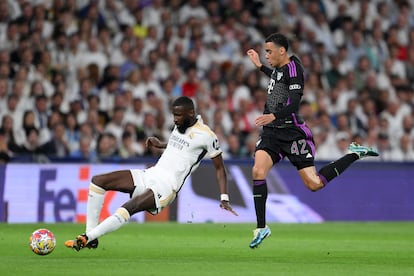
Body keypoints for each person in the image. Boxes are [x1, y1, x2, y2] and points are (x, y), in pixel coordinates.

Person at [246, 33, 379, 249]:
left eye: (269, 51)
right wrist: (260, 67)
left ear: (282, 51)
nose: (266, 55)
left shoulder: (294, 69)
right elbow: (278, 81)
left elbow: (295, 102)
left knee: (314, 184)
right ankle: (261, 228)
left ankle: (355, 153)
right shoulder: (280, 69)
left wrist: (274, 115)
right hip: (271, 132)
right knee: (257, 172)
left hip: (292, 133)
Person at [65, 96, 238, 251]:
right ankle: (90, 235)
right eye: (173, 115)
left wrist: (224, 198)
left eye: (178, 115)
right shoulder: (180, 126)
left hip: (167, 186)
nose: (175, 119)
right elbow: (179, 146)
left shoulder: (207, 135)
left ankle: (87, 238)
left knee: (128, 207)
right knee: (98, 181)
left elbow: (220, 168)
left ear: (191, 113)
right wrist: (160, 144)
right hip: (151, 174)